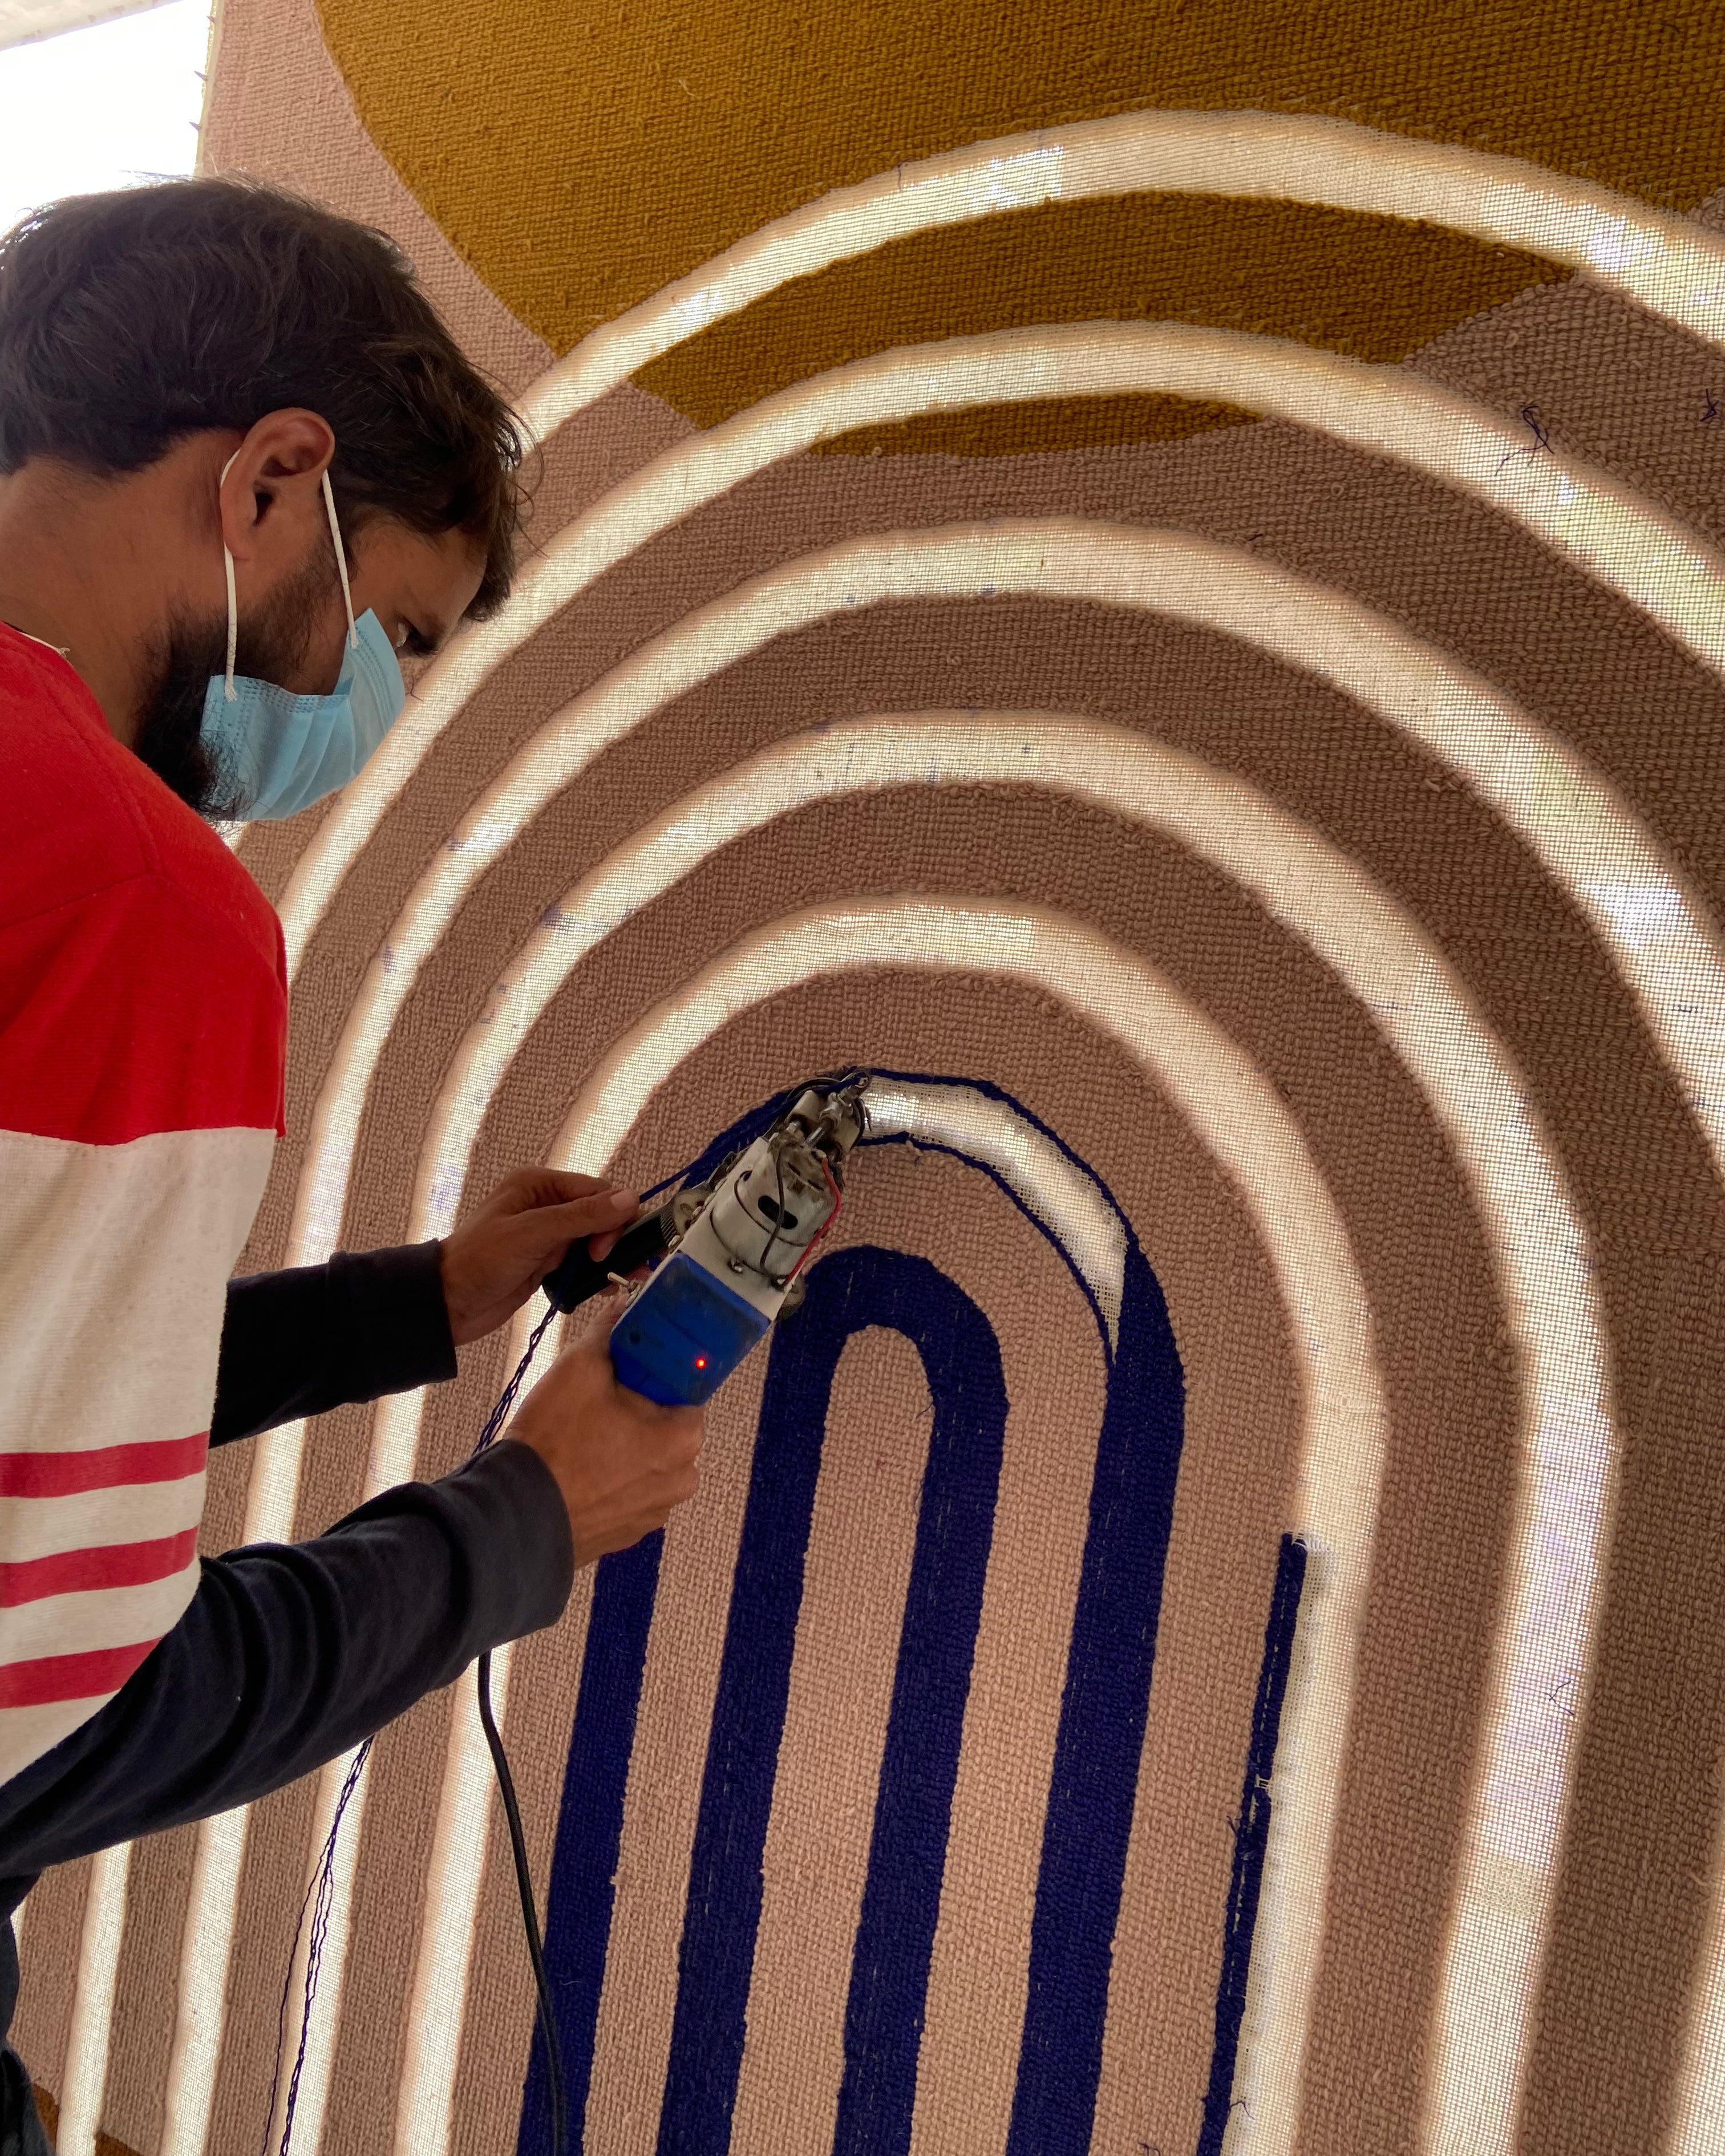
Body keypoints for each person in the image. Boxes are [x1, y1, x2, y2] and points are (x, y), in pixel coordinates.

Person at [0, 179, 704, 2150]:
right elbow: (61, 1704)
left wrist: (425, 1301)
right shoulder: (132, 899)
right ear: (275, 479)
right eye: (392, 630)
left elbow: (26, 1403)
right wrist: (522, 1521)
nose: (361, 712)